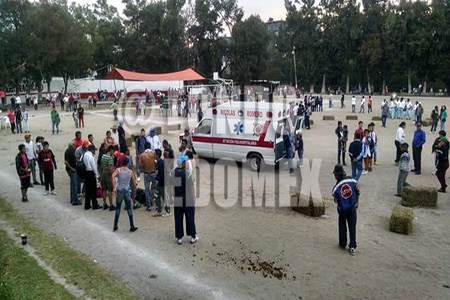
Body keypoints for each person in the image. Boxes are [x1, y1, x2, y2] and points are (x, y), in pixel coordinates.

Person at [331, 164, 359, 256]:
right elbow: (358, 192)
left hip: (342, 210)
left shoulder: (336, 188)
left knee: (342, 226)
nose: (334, 176)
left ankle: (342, 243)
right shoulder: (352, 180)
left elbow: (335, 199)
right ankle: (352, 246)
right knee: (352, 227)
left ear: (337, 175)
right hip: (352, 208)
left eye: (335, 174)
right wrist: (356, 202)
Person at [171, 155, 198, 245]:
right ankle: (193, 236)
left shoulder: (173, 173)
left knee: (178, 218)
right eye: (185, 161)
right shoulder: (187, 173)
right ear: (182, 163)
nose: (187, 163)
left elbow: (172, 187)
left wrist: (172, 197)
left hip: (178, 198)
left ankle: (179, 237)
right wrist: (194, 198)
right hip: (188, 198)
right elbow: (191, 187)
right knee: (190, 217)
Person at [112, 157, 138, 232]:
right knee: (129, 209)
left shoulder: (118, 170)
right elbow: (134, 184)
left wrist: (114, 187)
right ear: (127, 163)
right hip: (127, 191)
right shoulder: (130, 172)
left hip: (120, 190)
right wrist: (134, 194)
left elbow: (113, 176)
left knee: (118, 209)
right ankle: (132, 226)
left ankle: (115, 225)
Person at [83, 144, 102, 210]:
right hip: (91, 173)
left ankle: (87, 204)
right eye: (94, 150)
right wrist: (97, 176)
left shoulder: (84, 154)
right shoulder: (91, 157)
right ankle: (95, 204)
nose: (95, 152)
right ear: (92, 150)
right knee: (93, 190)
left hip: (86, 172)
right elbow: (94, 167)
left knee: (87, 189)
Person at [100, 145, 116, 211]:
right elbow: (110, 168)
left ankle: (104, 204)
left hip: (103, 174)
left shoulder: (103, 156)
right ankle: (111, 205)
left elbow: (101, 165)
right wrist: (113, 174)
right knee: (110, 190)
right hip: (108, 175)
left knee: (104, 190)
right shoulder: (110, 158)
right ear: (111, 150)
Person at [155, 149, 171, 217]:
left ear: (157, 155)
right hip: (159, 183)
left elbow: (162, 174)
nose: (153, 155)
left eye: (154, 154)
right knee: (157, 196)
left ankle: (168, 211)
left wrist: (157, 179)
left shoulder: (161, 163)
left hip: (162, 183)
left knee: (165, 198)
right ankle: (159, 210)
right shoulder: (158, 162)